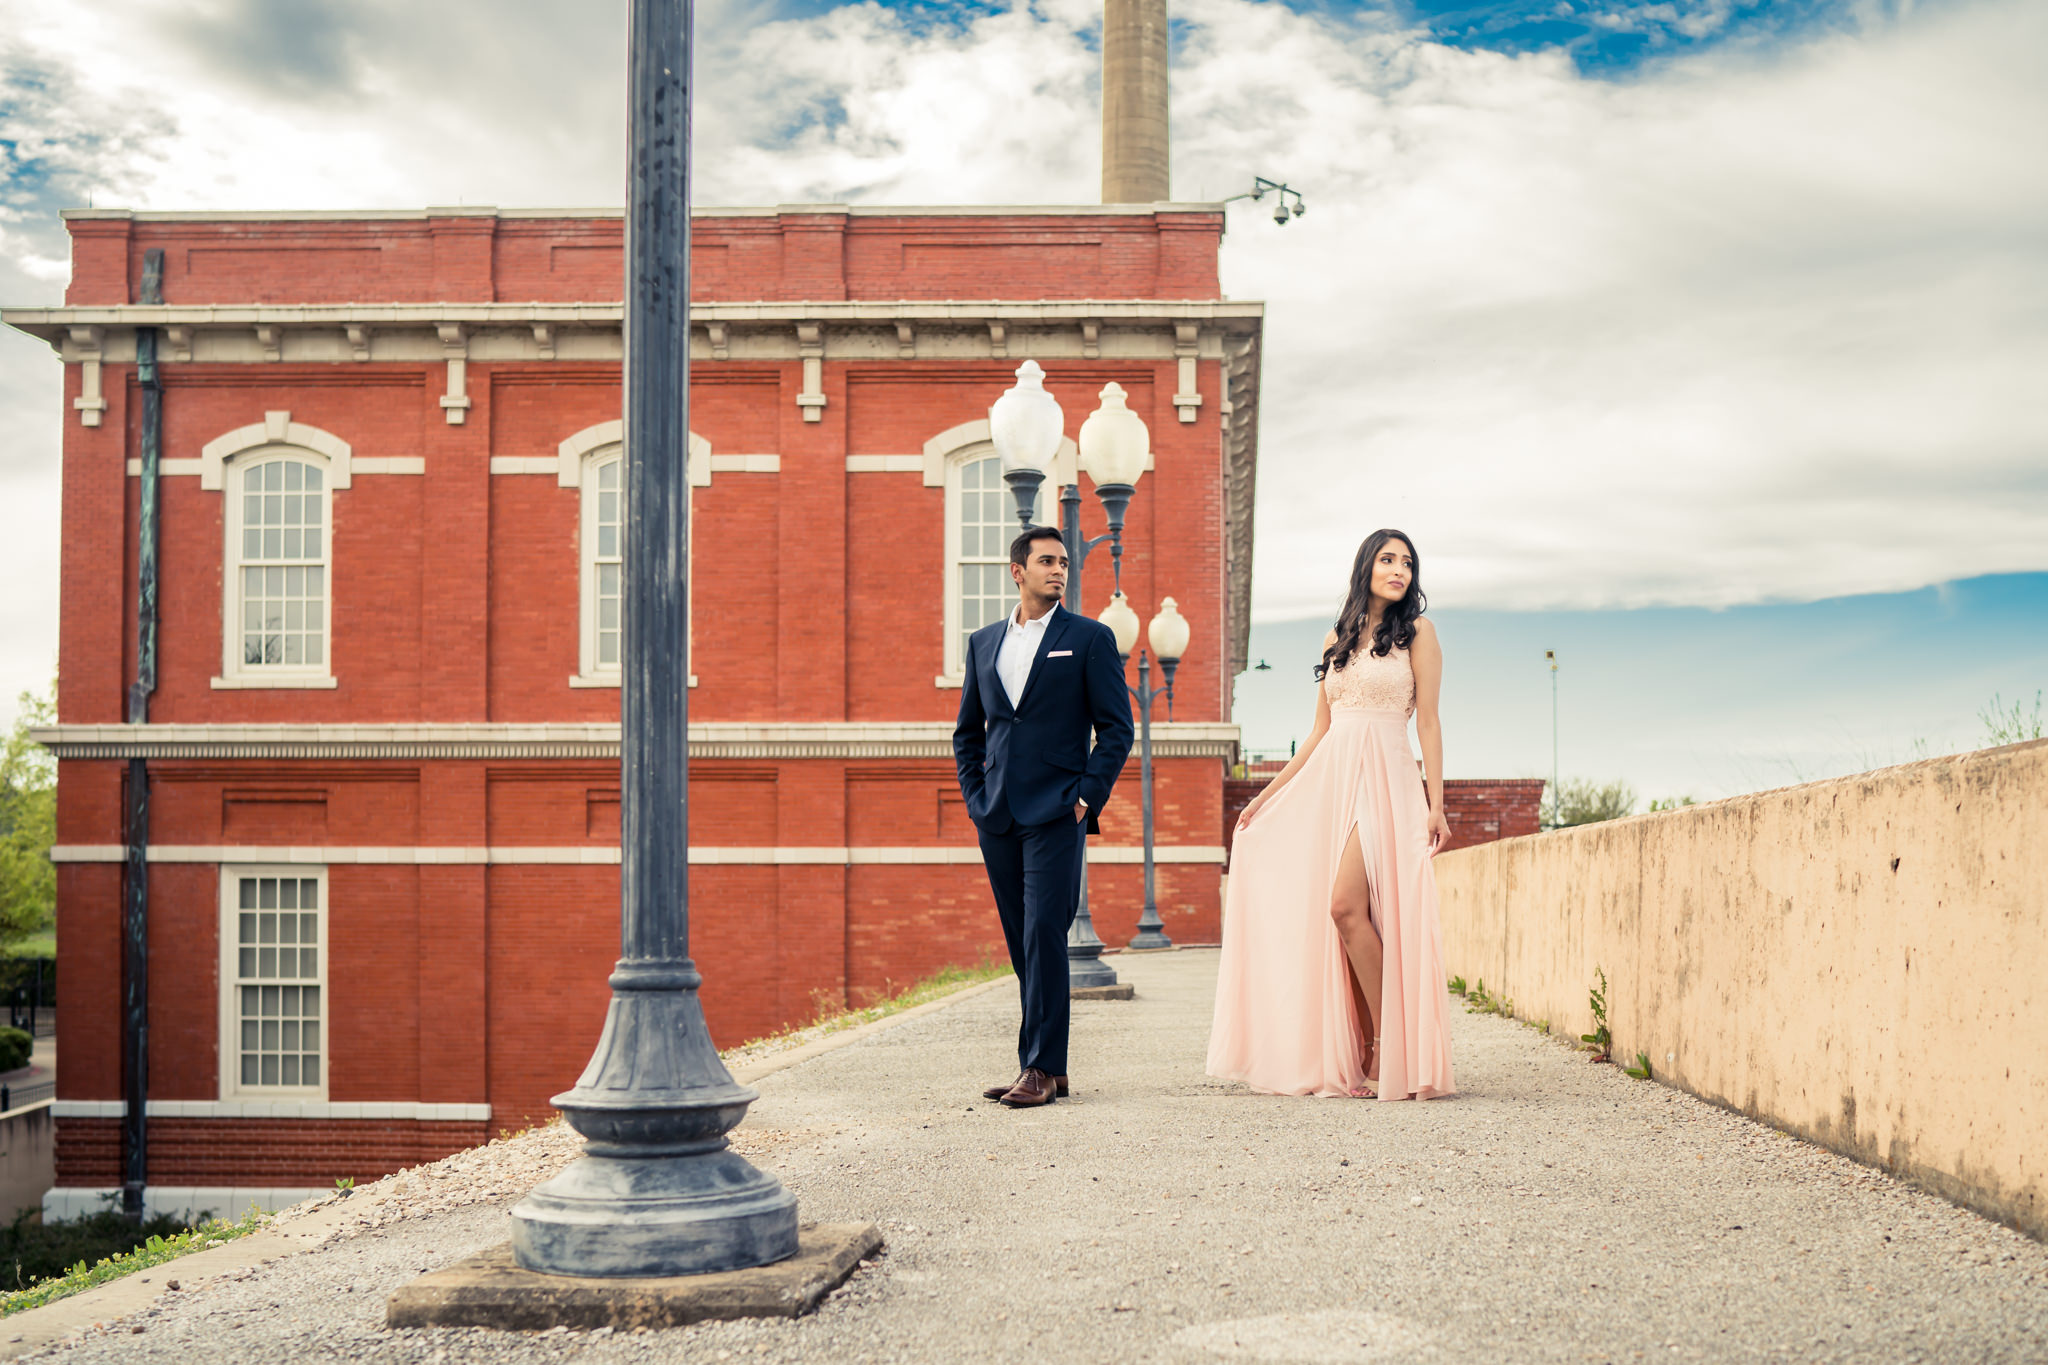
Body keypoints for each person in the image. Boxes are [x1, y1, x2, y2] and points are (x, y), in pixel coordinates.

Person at [1207, 528, 1457, 1100]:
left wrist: (1435, 803)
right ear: (1366, 565)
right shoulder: (1336, 637)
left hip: (1389, 780)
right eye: (1388, 559)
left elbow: (1430, 723)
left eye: (1408, 563)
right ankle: (1377, 1040)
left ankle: (1387, 1045)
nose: (1399, 570)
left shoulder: (1419, 633)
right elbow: (1318, 734)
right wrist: (1262, 798)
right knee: (1344, 919)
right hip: (1334, 780)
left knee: (1346, 907)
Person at [953, 524, 1135, 1108]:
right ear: (1018, 572)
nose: (1059, 570)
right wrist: (976, 799)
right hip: (998, 812)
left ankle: (1039, 1067)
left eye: (1063, 562)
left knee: (1043, 935)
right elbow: (967, 735)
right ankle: (1044, 1067)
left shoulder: (1088, 638)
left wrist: (1085, 797)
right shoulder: (984, 642)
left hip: (1058, 811)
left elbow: (1117, 729)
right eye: (1047, 562)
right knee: (1019, 940)